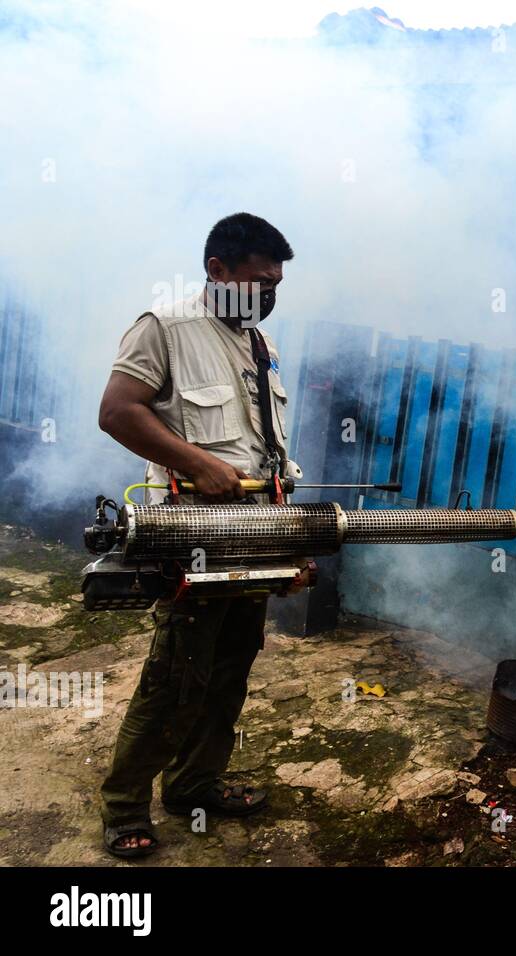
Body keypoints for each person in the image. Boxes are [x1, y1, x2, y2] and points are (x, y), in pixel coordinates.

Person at [97, 212, 295, 858]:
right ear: (217, 271)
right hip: (193, 538)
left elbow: (262, 450)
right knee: (176, 675)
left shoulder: (259, 348)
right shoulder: (167, 330)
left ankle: (193, 785)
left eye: (277, 285)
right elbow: (117, 412)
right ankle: (125, 804)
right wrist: (195, 463)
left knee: (231, 669)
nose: (270, 295)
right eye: (261, 281)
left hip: (256, 535)